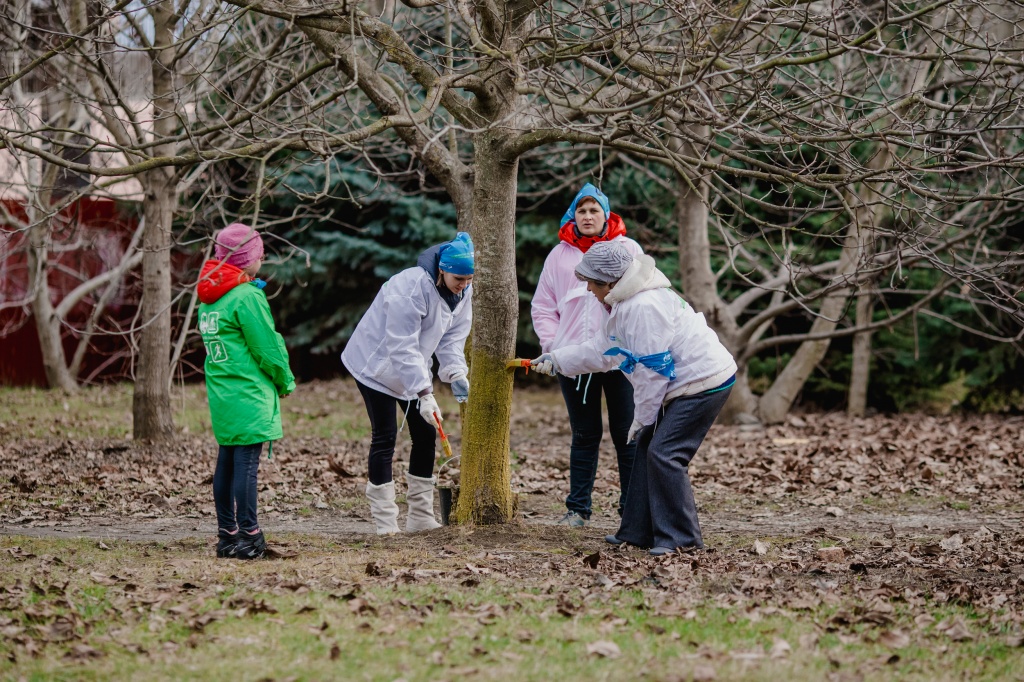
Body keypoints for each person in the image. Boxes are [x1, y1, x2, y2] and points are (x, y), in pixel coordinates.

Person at [531, 241, 736, 556]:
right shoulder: (625, 302)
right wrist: (558, 359)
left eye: (590, 283)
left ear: (609, 282)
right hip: (681, 382)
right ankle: (637, 531)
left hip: (704, 382)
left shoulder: (642, 307)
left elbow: (653, 372)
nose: (587, 290)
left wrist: (642, 418)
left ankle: (681, 539)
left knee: (664, 454)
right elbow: (604, 349)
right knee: (645, 448)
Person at [342, 232, 474, 534]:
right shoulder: (409, 286)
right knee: (385, 436)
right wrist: (425, 392)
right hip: (375, 365)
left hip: (413, 368)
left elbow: (453, 337)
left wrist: (455, 372)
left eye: (468, 279)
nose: (464, 285)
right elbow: (401, 346)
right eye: (459, 278)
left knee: (426, 433)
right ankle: (386, 522)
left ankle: (419, 516)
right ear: (442, 268)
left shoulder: (464, 290)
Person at [531, 183, 642, 527]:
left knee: (628, 434)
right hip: (573, 361)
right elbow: (543, 306)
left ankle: (632, 509)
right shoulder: (559, 255)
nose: (588, 216)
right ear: (573, 216)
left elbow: (640, 297)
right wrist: (554, 348)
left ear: (605, 214)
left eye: (594, 210)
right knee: (584, 435)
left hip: (619, 359)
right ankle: (578, 509)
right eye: (582, 211)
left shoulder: (626, 248)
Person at [197, 222, 296, 560]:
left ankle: (227, 535)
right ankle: (250, 536)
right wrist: (284, 381)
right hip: (249, 393)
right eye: (259, 253)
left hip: (223, 394)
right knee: (246, 467)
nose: (263, 256)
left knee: (226, 463)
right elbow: (266, 347)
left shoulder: (210, 298)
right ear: (244, 260)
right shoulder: (246, 296)